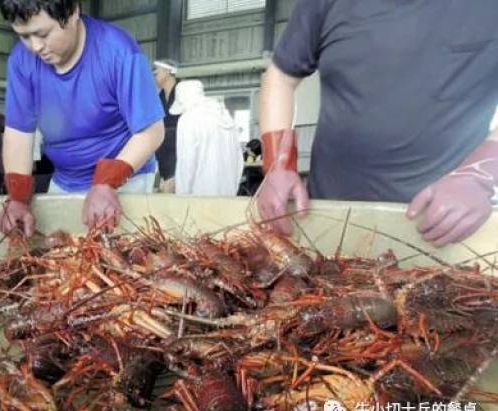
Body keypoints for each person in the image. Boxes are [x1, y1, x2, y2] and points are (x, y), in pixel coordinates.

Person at [258, 1, 498, 247]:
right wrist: (278, 165)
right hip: (327, 218)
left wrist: (479, 175)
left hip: (446, 224)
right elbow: (280, 77)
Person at [0, 0, 165, 236]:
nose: (35, 47)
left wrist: (106, 182)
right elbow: (18, 135)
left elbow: (151, 131)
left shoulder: (118, 50)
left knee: (123, 260)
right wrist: (17, 198)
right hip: (65, 179)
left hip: (126, 179)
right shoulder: (21, 61)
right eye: (24, 36)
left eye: (42, 34)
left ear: (73, 11)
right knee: (58, 257)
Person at [171, 80, 244, 196]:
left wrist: (181, 196)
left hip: (199, 198)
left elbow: (186, 166)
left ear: (183, 99)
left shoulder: (188, 119)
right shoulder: (226, 117)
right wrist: (232, 189)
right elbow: (239, 162)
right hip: (228, 196)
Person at [153, 59, 179, 193]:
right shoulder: (159, 97)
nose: (154, 73)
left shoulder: (183, 92)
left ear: (169, 71)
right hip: (164, 157)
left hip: (181, 156)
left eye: (157, 70)